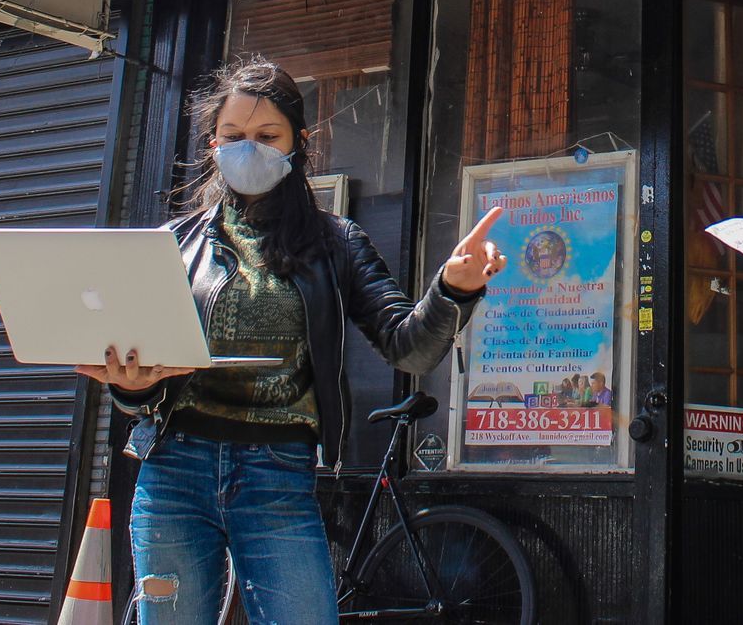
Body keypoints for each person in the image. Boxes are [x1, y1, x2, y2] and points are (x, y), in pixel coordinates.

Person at [80, 57, 507, 624]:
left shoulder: (336, 242)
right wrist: (129, 390)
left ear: (298, 143)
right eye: (233, 136)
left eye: (266, 135)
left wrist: (453, 289)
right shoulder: (174, 244)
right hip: (174, 467)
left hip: (277, 471)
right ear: (212, 144)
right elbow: (141, 384)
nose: (247, 148)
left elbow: (410, 347)